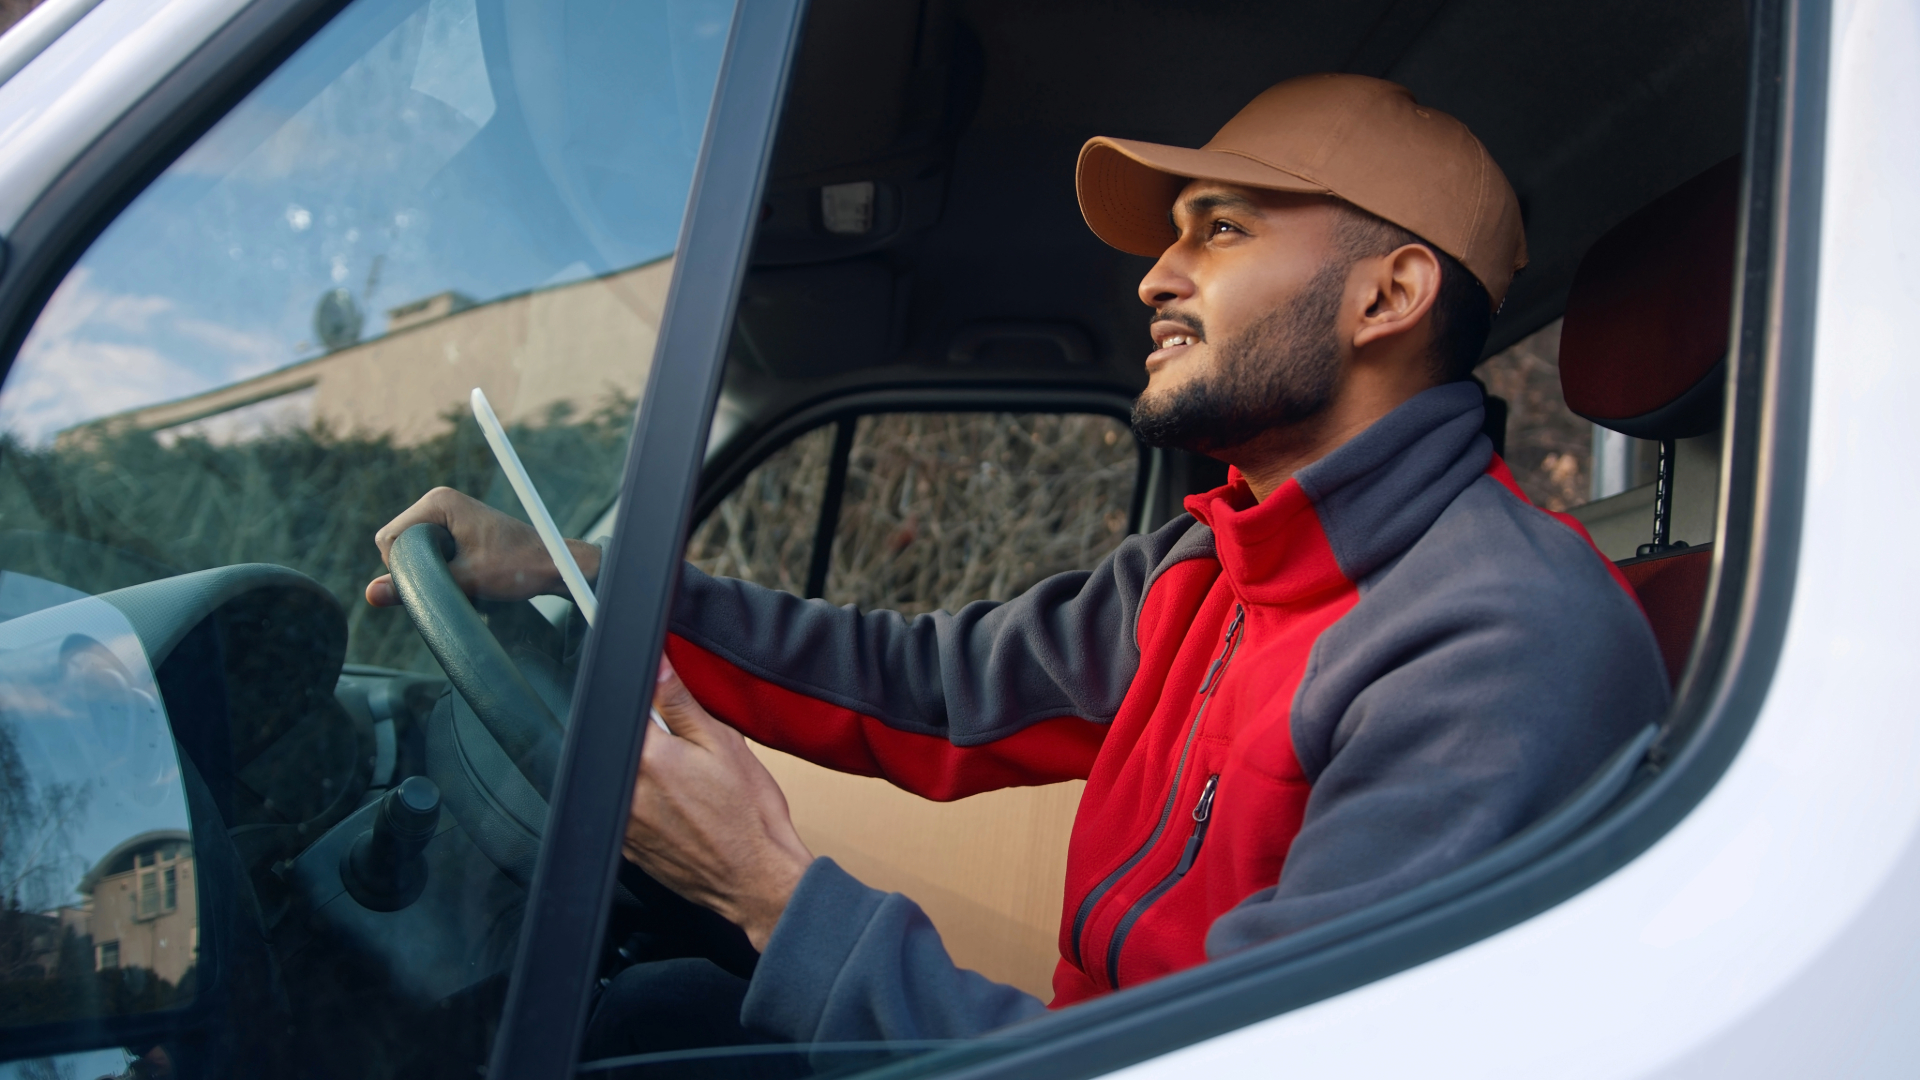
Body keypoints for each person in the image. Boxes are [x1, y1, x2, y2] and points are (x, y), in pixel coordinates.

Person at [367, 74, 1667, 1057]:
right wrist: (576, 570)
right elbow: (922, 689)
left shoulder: (1503, 639)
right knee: (660, 1015)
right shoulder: (1211, 564)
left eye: (1218, 231)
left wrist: (768, 893)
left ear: (1388, 297)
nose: (1155, 273)